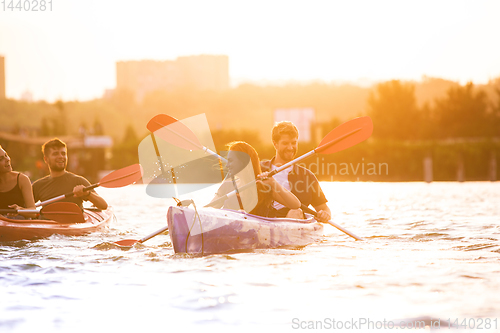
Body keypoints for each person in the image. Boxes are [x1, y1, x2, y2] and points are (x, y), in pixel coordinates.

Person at [261, 121, 332, 222]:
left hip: (292, 224)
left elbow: (324, 208)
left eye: (293, 143)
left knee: (295, 211)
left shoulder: (308, 177)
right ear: (275, 144)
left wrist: (325, 215)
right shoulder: (259, 169)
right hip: (261, 220)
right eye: (285, 143)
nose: (290, 148)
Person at [210, 141, 300, 217]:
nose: (227, 165)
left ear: (244, 162)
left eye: (231, 160)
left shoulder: (263, 186)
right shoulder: (227, 186)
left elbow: (296, 205)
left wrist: (274, 183)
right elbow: (209, 211)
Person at [33, 138, 108, 210]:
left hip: (75, 221)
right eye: (55, 154)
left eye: (63, 153)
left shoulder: (78, 181)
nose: (61, 157)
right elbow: (23, 206)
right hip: (46, 222)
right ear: (46, 159)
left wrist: (87, 193)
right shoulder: (38, 186)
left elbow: (103, 205)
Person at [0, 145, 36, 218]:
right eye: (1, 159)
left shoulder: (22, 179)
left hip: (20, 226)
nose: (7, 159)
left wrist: (20, 209)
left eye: (6, 155)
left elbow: (33, 212)